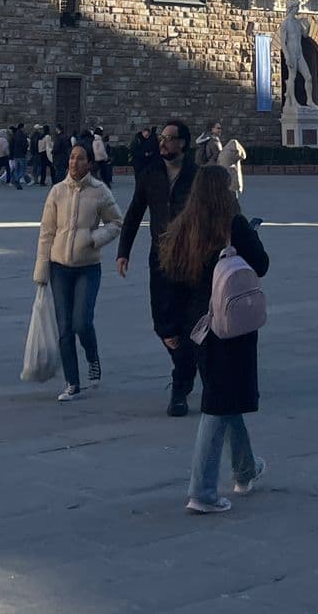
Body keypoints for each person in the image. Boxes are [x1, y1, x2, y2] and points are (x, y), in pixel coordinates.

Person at [157, 164, 269, 514]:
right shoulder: (232, 225)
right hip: (231, 323)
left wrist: (170, 328)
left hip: (197, 327)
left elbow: (169, 280)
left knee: (225, 394)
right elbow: (261, 264)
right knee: (217, 403)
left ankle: (245, 468)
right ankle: (202, 491)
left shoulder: (182, 227)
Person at [116, 118, 201, 415]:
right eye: (161, 137)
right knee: (163, 323)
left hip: (193, 259)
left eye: (168, 138)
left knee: (191, 323)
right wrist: (123, 251)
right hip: (161, 257)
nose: (161, 142)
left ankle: (180, 387)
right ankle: (187, 367)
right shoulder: (150, 174)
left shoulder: (197, 176)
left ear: (183, 143)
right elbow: (134, 213)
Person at [33, 140, 123, 400]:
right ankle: (72, 382)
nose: (75, 162)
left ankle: (92, 357)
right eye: (72, 157)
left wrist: (95, 238)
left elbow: (117, 222)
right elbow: (46, 232)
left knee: (81, 322)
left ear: (90, 163)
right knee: (64, 328)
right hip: (60, 266)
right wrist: (41, 269)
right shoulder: (57, 192)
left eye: (80, 158)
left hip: (87, 267)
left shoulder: (100, 191)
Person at [219, 129, 247, 199]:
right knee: (234, 196)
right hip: (233, 177)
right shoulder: (235, 153)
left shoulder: (223, 153)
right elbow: (244, 156)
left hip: (223, 177)